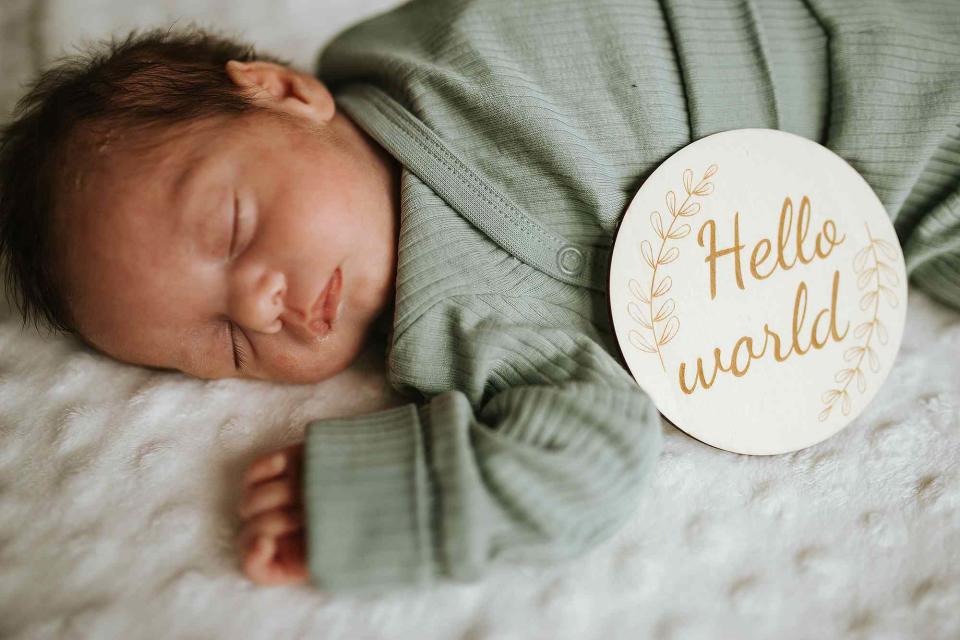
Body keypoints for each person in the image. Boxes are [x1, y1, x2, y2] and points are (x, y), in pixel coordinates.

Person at [1, 0, 958, 594]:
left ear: (286, 92)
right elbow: (587, 457)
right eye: (222, 346)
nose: (257, 307)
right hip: (913, 159)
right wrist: (403, 487)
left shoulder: (423, 44)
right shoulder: (461, 328)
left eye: (234, 228)